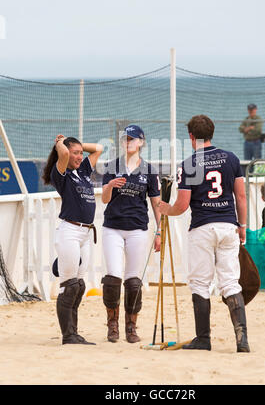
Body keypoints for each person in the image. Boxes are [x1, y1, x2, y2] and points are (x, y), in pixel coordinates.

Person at [159, 114, 250, 353]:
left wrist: (165, 209)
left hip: (202, 227)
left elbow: (182, 205)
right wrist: (243, 226)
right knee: (230, 282)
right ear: (212, 132)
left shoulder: (188, 164)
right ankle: (242, 340)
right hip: (228, 225)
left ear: (191, 136)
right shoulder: (231, 158)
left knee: (200, 283)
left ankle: (203, 339)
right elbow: (240, 196)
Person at [101, 124, 161, 344]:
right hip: (113, 227)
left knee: (133, 280)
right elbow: (105, 199)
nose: (128, 142)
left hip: (137, 229)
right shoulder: (111, 166)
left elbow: (156, 204)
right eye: (125, 138)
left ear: (141, 142)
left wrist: (160, 230)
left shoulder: (149, 169)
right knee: (113, 277)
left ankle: (131, 326)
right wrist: (109, 186)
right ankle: (113, 325)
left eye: (132, 139)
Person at [42, 135, 103, 345]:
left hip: (86, 234)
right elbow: (65, 153)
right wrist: (60, 142)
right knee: (68, 285)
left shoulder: (83, 171)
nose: (78, 156)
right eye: (74, 153)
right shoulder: (62, 174)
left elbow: (99, 148)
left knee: (79, 284)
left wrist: (78, 145)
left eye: (80, 153)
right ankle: (67, 336)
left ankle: (74, 332)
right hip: (70, 231)